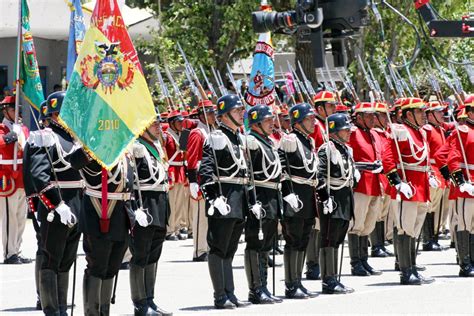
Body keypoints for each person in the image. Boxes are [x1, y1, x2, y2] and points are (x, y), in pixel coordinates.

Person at [26, 91, 84, 315]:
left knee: (67, 259)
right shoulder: (44, 137)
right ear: (57, 114)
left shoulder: (75, 140)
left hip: (76, 205)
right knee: (51, 259)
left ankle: (61, 307)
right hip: (55, 207)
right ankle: (51, 310)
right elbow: (39, 175)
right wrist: (57, 204)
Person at [69, 143, 135, 315]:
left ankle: (104, 312)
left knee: (112, 266)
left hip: (121, 213)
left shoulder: (122, 150)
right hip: (98, 214)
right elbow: (74, 162)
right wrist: (92, 146)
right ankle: (92, 312)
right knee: (97, 265)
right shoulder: (92, 146)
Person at [199, 94, 251, 309]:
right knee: (219, 248)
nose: (242, 113)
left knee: (230, 249)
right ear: (225, 115)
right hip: (224, 197)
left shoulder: (238, 137)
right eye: (238, 110)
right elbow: (206, 171)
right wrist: (214, 198)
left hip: (239, 197)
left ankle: (230, 291)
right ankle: (220, 295)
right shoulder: (216, 137)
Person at [382, 97, 435, 285]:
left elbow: (423, 160)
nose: (424, 115)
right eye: (420, 112)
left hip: (421, 186)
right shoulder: (399, 131)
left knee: (414, 229)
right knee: (405, 228)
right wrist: (396, 182)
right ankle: (406, 272)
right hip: (407, 187)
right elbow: (387, 157)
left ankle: (412, 267)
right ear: (409, 114)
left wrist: (429, 176)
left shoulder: (419, 132)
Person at [129, 113, 173, 315]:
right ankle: (140, 303)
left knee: (153, 255)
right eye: (154, 124)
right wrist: (133, 208)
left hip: (160, 205)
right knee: (141, 255)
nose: (159, 127)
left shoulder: (155, 147)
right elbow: (129, 181)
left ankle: (150, 300)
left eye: (159, 123)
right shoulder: (136, 147)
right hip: (144, 205)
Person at [243, 105, 283, 304]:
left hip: (272, 195)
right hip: (258, 195)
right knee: (255, 243)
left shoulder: (267, 142)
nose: (272, 124)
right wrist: (251, 200)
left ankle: (264, 285)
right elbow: (247, 172)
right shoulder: (250, 142)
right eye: (267, 121)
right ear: (257, 123)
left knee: (266, 244)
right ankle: (255, 289)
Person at [279, 103, 319, 299]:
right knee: (293, 239)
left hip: (307, 193)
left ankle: (298, 281)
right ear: (299, 121)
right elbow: (282, 167)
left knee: (303, 239)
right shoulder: (290, 140)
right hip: (295, 193)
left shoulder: (307, 141)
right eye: (309, 119)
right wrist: (287, 193)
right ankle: (291, 284)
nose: (313, 122)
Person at [317, 112, 357, 294]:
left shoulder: (345, 149)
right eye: (344, 129)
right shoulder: (327, 148)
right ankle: (328, 280)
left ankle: (334, 277)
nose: (348, 132)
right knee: (328, 238)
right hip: (332, 197)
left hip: (344, 197)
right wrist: (324, 198)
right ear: (333, 131)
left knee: (338, 237)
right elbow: (320, 175)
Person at [347, 102, 383, 277]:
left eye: (373, 116)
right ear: (359, 117)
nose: (373, 119)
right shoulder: (353, 133)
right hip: (361, 184)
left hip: (375, 184)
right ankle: (356, 263)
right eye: (368, 116)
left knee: (368, 224)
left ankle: (364, 260)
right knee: (357, 224)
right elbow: (348, 157)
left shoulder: (374, 134)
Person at [0, 95, 31, 264]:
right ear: (5, 111)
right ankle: (9, 253)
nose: (16, 112)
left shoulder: (23, 130)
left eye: (18, 109)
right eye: (13, 109)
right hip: (8, 179)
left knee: (20, 217)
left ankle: (16, 250)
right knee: (9, 217)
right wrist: (8, 138)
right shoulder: (2, 129)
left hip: (22, 179)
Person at [447, 95, 474, 277]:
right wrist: (461, 182)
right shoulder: (462, 131)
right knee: (465, 224)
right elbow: (452, 159)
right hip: (467, 184)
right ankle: (465, 263)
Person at [187, 100, 216, 262]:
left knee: (209, 215)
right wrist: (192, 180)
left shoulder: (212, 131)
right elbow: (191, 158)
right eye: (210, 113)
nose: (213, 116)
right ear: (202, 115)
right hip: (199, 177)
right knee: (200, 216)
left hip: (210, 177)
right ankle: (199, 250)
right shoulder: (197, 133)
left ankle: (208, 245)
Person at [164, 110, 189, 241]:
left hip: (180, 169)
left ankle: (178, 227)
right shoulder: (166, 136)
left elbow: (185, 153)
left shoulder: (182, 134)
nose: (181, 124)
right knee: (172, 202)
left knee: (180, 202)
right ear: (172, 123)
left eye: (181, 121)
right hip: (171, 169)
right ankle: (169, 230)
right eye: (178, 122)